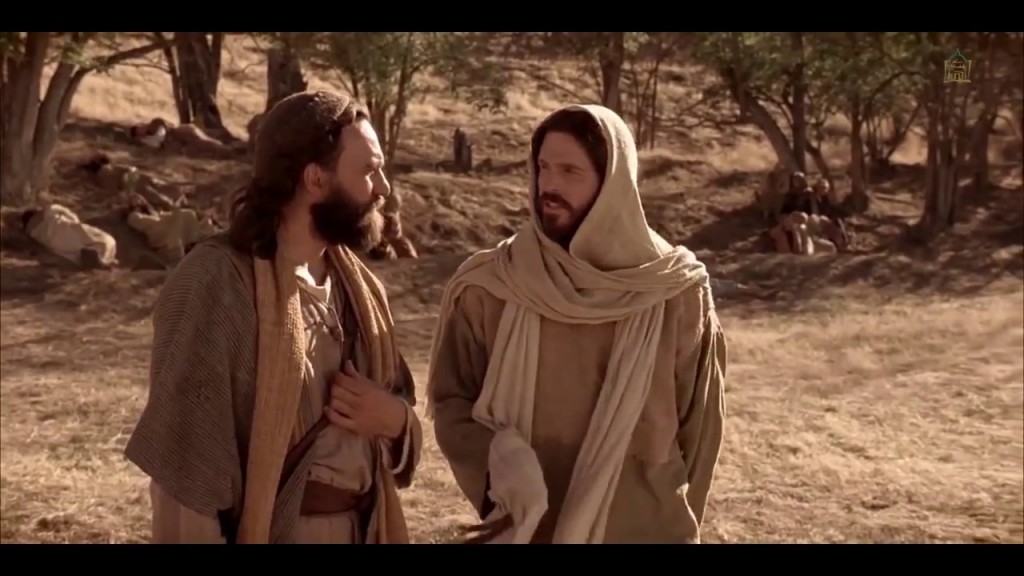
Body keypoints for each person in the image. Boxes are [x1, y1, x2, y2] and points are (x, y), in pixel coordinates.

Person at [124, 90, 423, 544]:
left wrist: (394, 419)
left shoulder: (360, 288)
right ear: (315, 179)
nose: (383, 188)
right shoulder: (218, 282)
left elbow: (398, 412)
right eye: (369, 171)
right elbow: (185, 469)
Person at [426, 105, 728, 544]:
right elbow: (452, 402)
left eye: (570, 171)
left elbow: (700, 433)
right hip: (529, 531)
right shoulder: (494, 286)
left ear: (613, 183)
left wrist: (675, 523)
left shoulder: (674, 291)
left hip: (646, 530)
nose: (549, 186)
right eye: (543, 167)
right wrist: (501, 461)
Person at [124, 195, 221, 262]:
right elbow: (149, 223)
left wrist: (168, 213)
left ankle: (193, 241)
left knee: (188, 214)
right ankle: (178, 248)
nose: (139, 201)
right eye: (135, 200)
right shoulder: (134, 216)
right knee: (182, 215)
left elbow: (162, 216)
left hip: (166, 226)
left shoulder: (152, 212)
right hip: (159, 234)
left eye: (140, 199)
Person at [21, 203, 118, 268]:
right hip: (64, 228)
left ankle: (100, 260)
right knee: (99, 239)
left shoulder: (31, 232)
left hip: (54, 242)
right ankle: (103, 259)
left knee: (72, 251)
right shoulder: (47, 210)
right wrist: (75, 221)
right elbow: (67, 212)